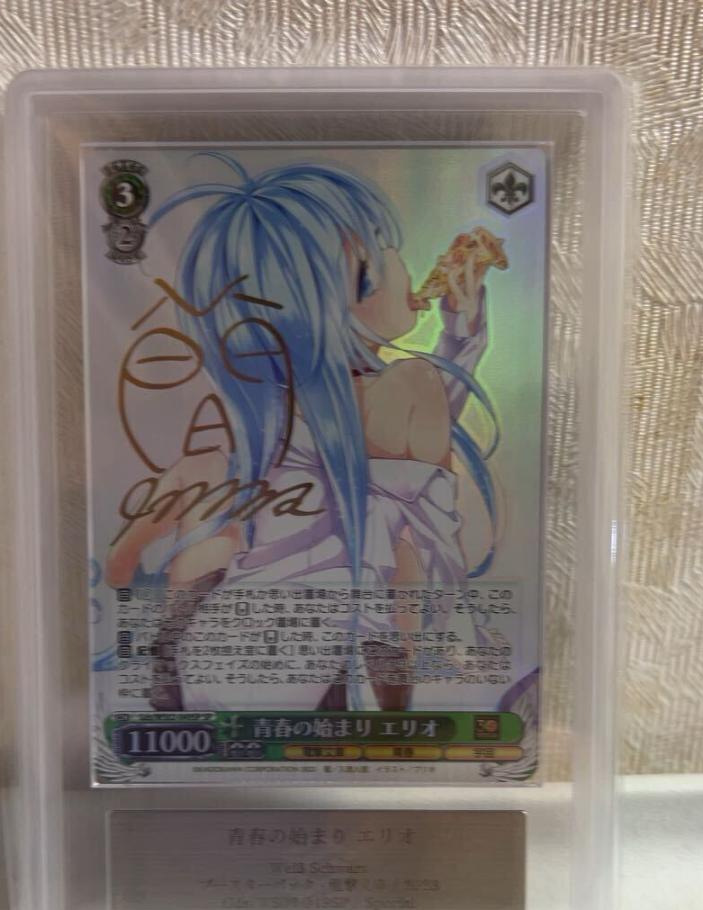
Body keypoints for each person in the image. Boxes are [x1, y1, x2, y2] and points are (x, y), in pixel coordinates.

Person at [105, 154, 500, 711]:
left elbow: (119, 567)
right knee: (399, 550)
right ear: (351, 289)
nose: (405, 267)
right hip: (325, 673)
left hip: (200, 661)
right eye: (383, 249)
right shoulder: (411, 386)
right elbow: (420, 567)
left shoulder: (253, 429)